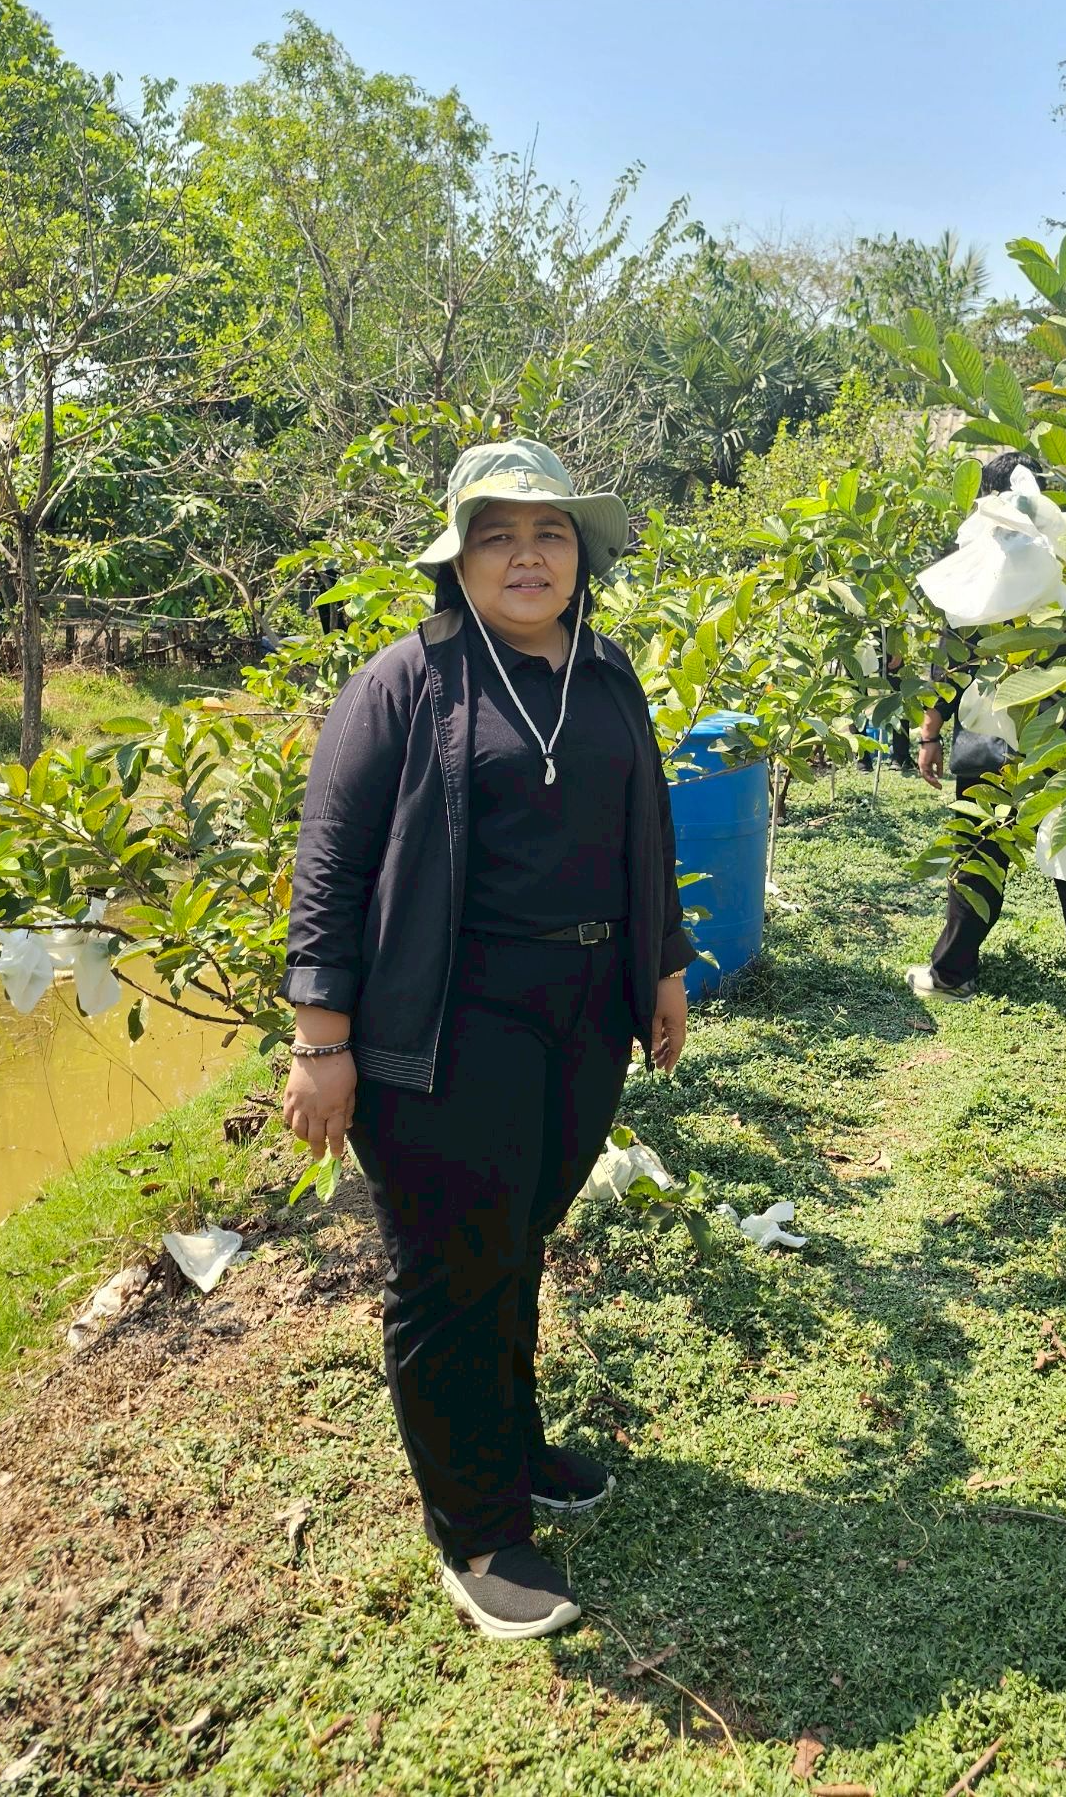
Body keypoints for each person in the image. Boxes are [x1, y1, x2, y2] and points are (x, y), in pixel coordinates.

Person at [279, 439, 694, 1642]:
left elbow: (647, 829)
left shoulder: (607, 677)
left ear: (581, 557)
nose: (527, 554)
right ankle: (475, 1528)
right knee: (452, 1268)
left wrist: (662, 965)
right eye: (498, 533)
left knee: (517, 1244)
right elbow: (332, 864)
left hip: (580, 1018)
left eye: (550, 532)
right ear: (457, 557)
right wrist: (322, 1041)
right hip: (444, 1028)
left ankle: (510, 1449)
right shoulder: (404, 683)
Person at [904, 452, 1066, 1028]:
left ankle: (952, 973)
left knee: (980, 853)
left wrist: (929, 734)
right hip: (1058, 734)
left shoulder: (975, 567)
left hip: (990, 740)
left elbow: (951, 656)